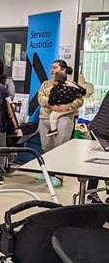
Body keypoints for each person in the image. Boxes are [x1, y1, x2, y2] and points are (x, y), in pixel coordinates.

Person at [37, 59, 84, 187]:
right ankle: (48, 172)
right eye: (51, 68)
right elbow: (40, 98)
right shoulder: (45, 84)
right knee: (46, 147)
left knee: (60, 148)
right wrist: (51, 104)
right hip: (45, 118)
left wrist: (65, 107)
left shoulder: (71, 85)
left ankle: (59, 176)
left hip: (63, 118)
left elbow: (79, 101)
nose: (52, 70)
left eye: (55, 67)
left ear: (63, 70)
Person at [47, 71, 86, 137]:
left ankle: (53, 129)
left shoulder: (55, 88)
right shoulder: (72, 87)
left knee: (53, 117)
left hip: (60, 110)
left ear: (56, 81)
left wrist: (52, 105)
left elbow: (52, 99)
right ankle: (76, 114)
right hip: (71, 109)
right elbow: (82, 91)